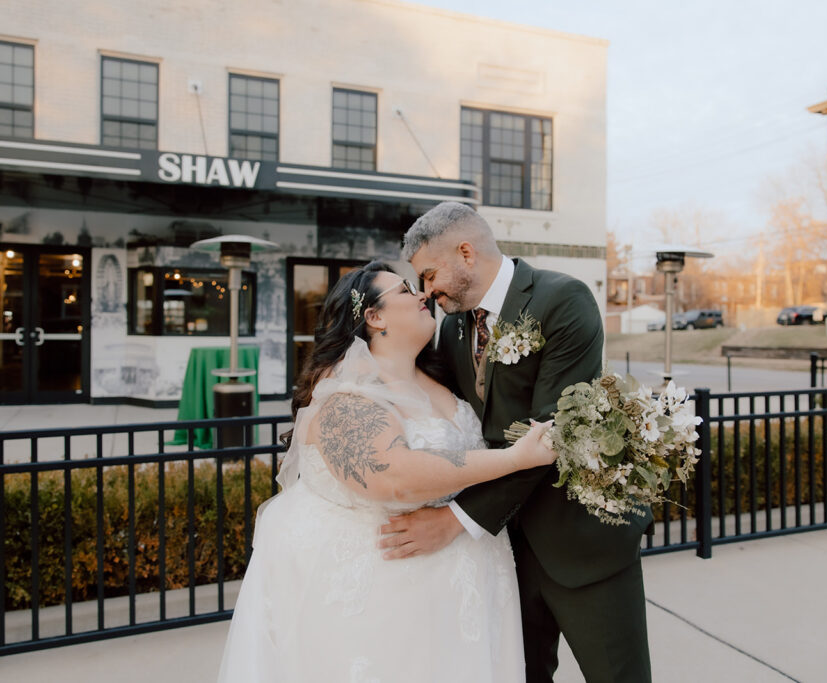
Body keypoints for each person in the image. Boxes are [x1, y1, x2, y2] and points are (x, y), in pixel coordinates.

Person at [216, 261, 555, 683]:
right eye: (405, 290)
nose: (422, 295)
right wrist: (514, 458)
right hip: (385, 594)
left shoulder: (443, 378)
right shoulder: (343, 393)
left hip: (465, 590)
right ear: (374, 317)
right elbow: (391, 475)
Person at [380, 202, 653, 683]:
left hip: (581, 542)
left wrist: (455, 520)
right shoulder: (453, 326)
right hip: (503, 552)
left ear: (465, 252)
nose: (426, 291)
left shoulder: (563, 300)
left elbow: (549, 434)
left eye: (428, 274)